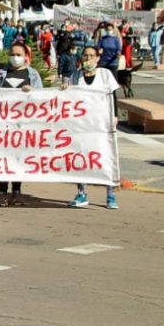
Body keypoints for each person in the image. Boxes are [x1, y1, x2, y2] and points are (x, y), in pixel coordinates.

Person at [62, 46, 120, 208]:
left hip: (102, 123)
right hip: (82, 124)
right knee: (80, 157)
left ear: (97, 58)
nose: (89, 59)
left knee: (106, 157)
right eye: (86, 56)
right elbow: (70, 98)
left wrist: (114, 115)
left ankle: (110, 195)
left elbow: (112, 95)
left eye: (91, 56)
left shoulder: (105, 74)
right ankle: (81, 193)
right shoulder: (76, 76)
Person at [0, 41, 44, 206]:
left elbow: (42, 97)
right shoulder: (0, 73)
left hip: (23, 124)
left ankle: (17, 192)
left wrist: (32, 93)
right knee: (2, 157)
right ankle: (2, 192)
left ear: (26, 57)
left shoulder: (32, 75)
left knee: (19, 157)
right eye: (12, 54)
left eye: (18, 55)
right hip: (2, 123)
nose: (15, 57)